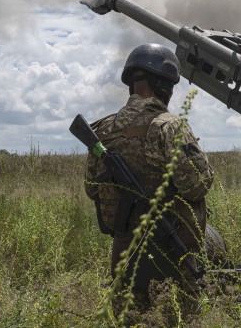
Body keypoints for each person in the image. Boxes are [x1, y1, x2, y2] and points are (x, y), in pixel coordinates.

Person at [84, 43, 214, 314]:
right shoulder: (168, 126)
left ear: (132, 84)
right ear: (163, 85)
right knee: (181, 318)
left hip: (124, 254)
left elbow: (91, 189)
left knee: (128, 320)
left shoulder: (102, 131)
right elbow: (196, 187)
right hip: (171, 252)